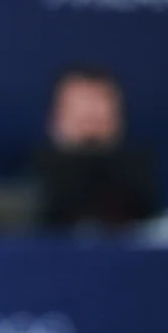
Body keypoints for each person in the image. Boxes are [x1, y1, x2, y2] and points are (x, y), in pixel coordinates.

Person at [32, 64, 157, 229]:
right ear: (54, 120)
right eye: (81, 121)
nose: (90, 130)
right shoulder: (33, 180)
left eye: (99, 121)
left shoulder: (140, 176)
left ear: (119, 121)